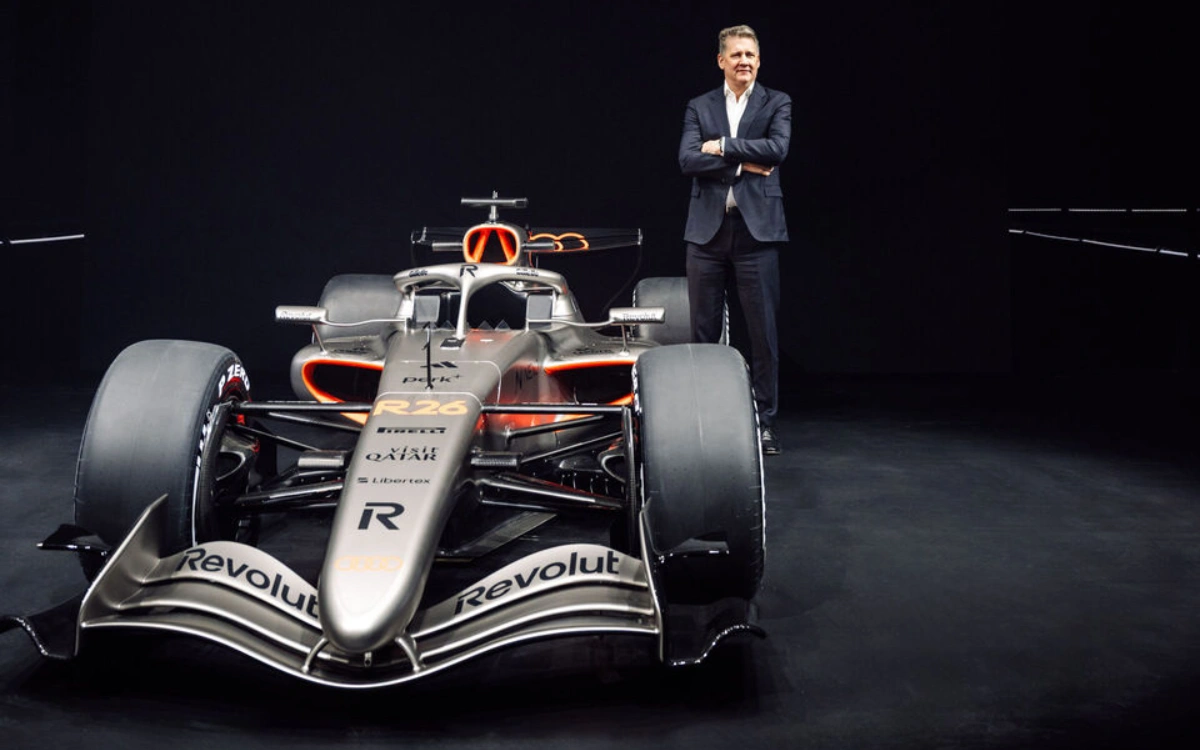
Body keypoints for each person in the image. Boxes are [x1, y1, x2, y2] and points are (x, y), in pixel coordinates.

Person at [679, 24, 791, 456]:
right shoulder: (699, 105)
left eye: (750, 54)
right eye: (736, 54)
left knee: (762, 334)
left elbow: (777, 150)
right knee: (703, 334)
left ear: (758, 61)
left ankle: (763, 423)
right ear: (721, 61)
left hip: (756, 232)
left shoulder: (777, 101)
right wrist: (743, 164)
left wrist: (723, 145)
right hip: (706, 234)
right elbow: (687, 160)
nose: (744, 61)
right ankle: (706, 422)